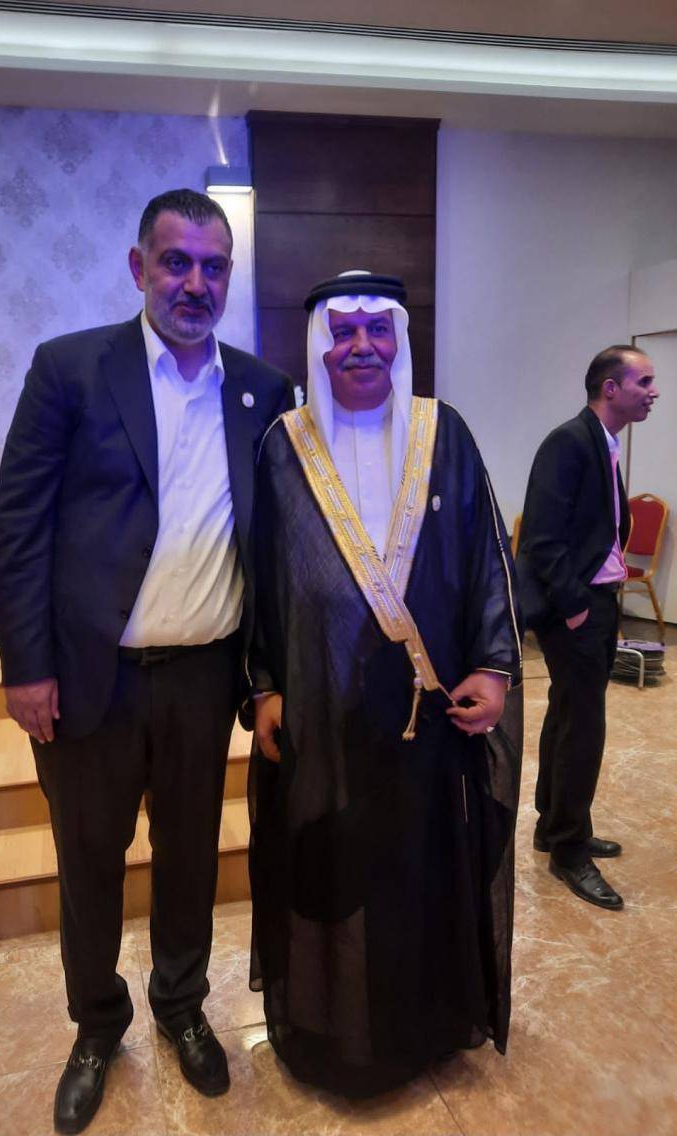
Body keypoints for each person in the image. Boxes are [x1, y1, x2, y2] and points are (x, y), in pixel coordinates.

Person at [0, 188, 292, 1133]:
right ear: (139, 268)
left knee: (191, 856)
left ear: (229, 277)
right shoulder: (71, 369)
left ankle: (181, 1005)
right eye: (176, 262)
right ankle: (95, 1025)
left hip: (204, 676)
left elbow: (276, 550)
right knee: (89, 862)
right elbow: (19, 526)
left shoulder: (262, 390)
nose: (195, 283)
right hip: (93, 678)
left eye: (213, 266)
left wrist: (269, 677)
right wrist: (26, 667)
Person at [248, 270, 522, 1097]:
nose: (360, 346)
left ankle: (422, 1027)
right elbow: (261, 579)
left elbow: (487, 558)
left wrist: (494, 667)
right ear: (319, 346)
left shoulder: (446, 434)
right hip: (322, 709)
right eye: (343, 332)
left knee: (419, 864)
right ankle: (335, 1035)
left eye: (377, 330)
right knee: (334, 866)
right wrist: (265, 687)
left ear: (399, 339)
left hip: (429, 714)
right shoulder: (284, 446)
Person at [516, 345, 659, 911]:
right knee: (584, 728)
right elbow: (541, 537)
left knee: (568, 713)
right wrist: (575, 607)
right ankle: (569, 851)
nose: (653, 392)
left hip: (596, 601)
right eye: (643, 381)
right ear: (610, 388)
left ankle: (553, 824)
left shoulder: (603, 443)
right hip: (575, 608)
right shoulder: (570, 442)